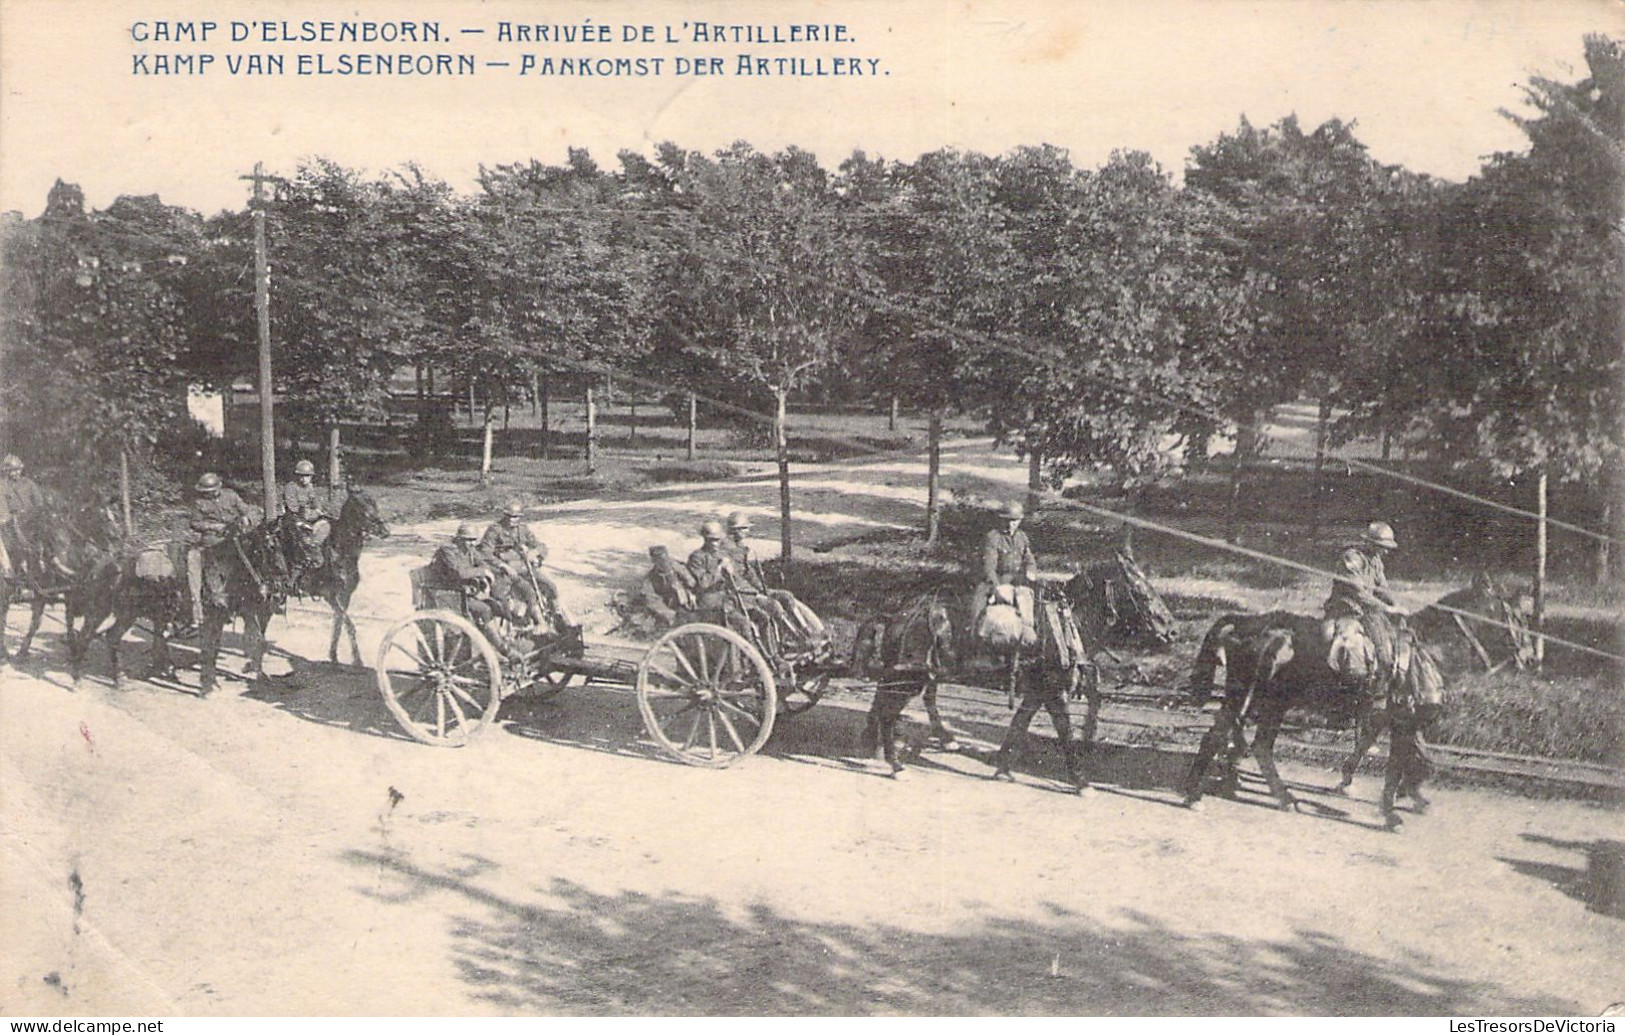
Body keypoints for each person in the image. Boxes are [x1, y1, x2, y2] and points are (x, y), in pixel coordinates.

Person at [722, 512, 827, 652]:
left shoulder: (741, 548)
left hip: (753, 591)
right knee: (774, 605)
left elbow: (749, 573)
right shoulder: (726, 551)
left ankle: (807, 631)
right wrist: (757, 593)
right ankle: (798, 638)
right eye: (744, 528)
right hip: (741, 595)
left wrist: (763, 588)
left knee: (786, 596)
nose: (748, 531)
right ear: (735, 530)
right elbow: (735, 580)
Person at [1322, 520, 1405, 682]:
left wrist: (1396, 604)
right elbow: (1358, 594)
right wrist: (1386, 608)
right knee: (1352, 654)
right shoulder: (1351, 559)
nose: (1385, 552)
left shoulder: (1375, 561)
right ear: (1370, 543)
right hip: (1347, 611)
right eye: (1382, 547)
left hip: (1368, 612)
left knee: (1388, 649)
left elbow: (1382, 589)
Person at [480, 500, 574, 634]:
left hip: (524, 567)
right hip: (505, 571)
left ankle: (558, 617)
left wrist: (536, 554)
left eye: (516, 517)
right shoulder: (495, 530)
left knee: (550, 586)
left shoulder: (522, 529)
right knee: (526, 593)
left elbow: (541, 546)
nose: (513, 520)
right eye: (510, 517)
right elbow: (485, 553)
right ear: (505, 516)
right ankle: (535, 623)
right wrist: (502, 565)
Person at [429, 523, 519, 656]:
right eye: (468, 540)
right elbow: (459, 572)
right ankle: (501, 649)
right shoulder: (447, 550)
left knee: (496, 604)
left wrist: (484, 575)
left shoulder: (470, 550)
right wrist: (482, 572)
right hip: (445, 593)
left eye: (473, 540)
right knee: (484, 609)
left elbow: (482, 562)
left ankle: (497, 642)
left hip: (462, 592)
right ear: (459, 539)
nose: (471, 544)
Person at [186, 472, 253, 627]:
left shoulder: (231, 496)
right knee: (211, 567)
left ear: (219, 487)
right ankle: (217, 599)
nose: (210, 494)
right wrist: (213, 526)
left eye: (213, 491)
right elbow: (195, 523)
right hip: (213, 542)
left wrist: (246, 518)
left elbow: (247, 510)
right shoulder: (199, 503)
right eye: (206, 493)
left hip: (236, 537)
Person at [971, 500, 1038, 640]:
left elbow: (1029, 560)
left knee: (1030, 601)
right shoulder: (993, 537)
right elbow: (989, 567)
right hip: (995, 581)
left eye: (1014, 521)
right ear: (1001, 520)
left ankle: (1029, 633)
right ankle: (973, 638)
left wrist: (1030, 573)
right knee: (978, 606)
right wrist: (997, 587)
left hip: (1016, 581)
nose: (1010, 524)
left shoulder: (1022, 538)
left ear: (1020, 521)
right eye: (1007, 520)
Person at [687, 520, 753, 640]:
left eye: (717, 540)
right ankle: (743, 657)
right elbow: (703, 583)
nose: (714, 544)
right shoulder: (697, 557)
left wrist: (731, 573)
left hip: (726, 601)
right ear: (704, 539)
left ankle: (764, 655)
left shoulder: (722, 555)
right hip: (709, 604)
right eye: (711, 540)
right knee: (742, 624)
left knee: (756, 618)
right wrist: (719, 569)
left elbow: (735, 580)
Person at [281, 459, 332, 581]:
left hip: (308, 518)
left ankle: (319, 554)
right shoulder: (291, 487)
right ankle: (300, 566)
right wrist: (312, 513)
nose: (304, 479)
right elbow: (293, 508)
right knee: (300, 538)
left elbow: (316, 503)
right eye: (301, 476)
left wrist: (317, 510)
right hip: (293, 519)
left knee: (326, 526)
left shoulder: (310, 487)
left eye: (307, 476)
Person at [1, 455, 47, 583]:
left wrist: (36, 514)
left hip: (32, 521)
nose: (16, 473)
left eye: (18, 469)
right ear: (6, 471)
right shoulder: (2, 486)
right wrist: (9, 518)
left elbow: (39, 503)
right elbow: (3, 508)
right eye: (12, 470)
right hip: (12, 524)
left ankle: (48, 562)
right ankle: (10, 570)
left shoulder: (28, 483)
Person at [641, 544, 697, 625]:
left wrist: (688, 592)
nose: (664, 563)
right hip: (666, 609)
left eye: (665, 559)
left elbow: (692, 582)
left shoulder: (677, 568)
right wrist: (668, 613)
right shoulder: (650, 578)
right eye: (659, 560)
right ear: (653, 561)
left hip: (685, 604)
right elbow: (650, 599)